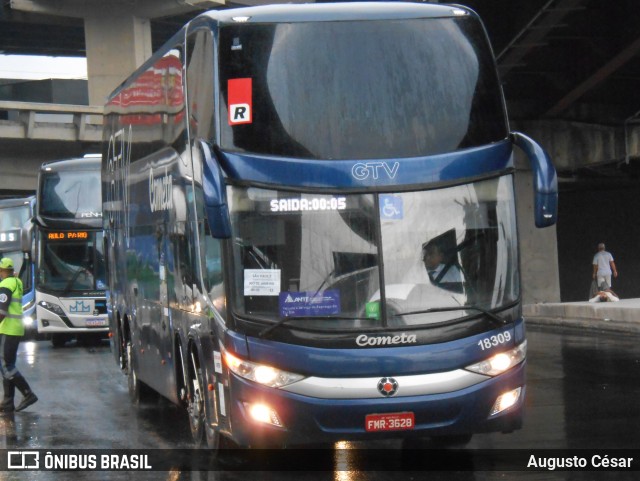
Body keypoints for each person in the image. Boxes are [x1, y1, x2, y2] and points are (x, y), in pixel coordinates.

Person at [0, 257, 37, 414]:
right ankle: (8, 403)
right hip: (16, 329)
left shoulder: (5, 284)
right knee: (8, 365)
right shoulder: (17, 282)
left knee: (5, 365)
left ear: (2, 271)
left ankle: (28, 393)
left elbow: (2, 309)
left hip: (8, 329)